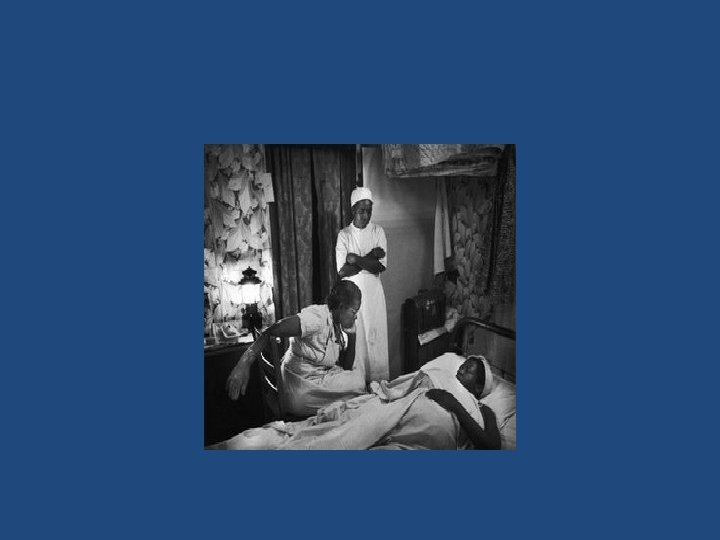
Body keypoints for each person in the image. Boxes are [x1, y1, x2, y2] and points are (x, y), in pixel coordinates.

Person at [214, 354, 500, 450]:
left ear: (478, 386)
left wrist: (453, 404)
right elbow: (404, 386)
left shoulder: (482, 409)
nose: (460, 369)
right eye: (463, 365)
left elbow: (492, 447)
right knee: (339, 427)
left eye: (468, 369)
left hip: (435, 429)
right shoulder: (442, 375)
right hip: (402, 407)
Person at [226, 280, 366, 416]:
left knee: (358, 379)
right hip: (299, 388)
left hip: (313, 379)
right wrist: (244, 362)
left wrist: (352, 334)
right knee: (359, 384)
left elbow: (346, 366)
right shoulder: (317, 318)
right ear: (341, 307)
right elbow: (275, 329)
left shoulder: (335, 323)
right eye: (353, 312)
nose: (355, 317)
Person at [335, 186, 389, 383]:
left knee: (376, 339)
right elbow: (342, 271)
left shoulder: (378, 231)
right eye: (361, 211)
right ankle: (356, 386)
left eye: (369, 211)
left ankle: (378, 386)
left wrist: (355, 259)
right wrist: (370, 256)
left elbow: (379, 267)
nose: (366, 215)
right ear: (353, 210)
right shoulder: (344, 235)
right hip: (351, 296)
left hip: (374, 295)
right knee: (356, 342)